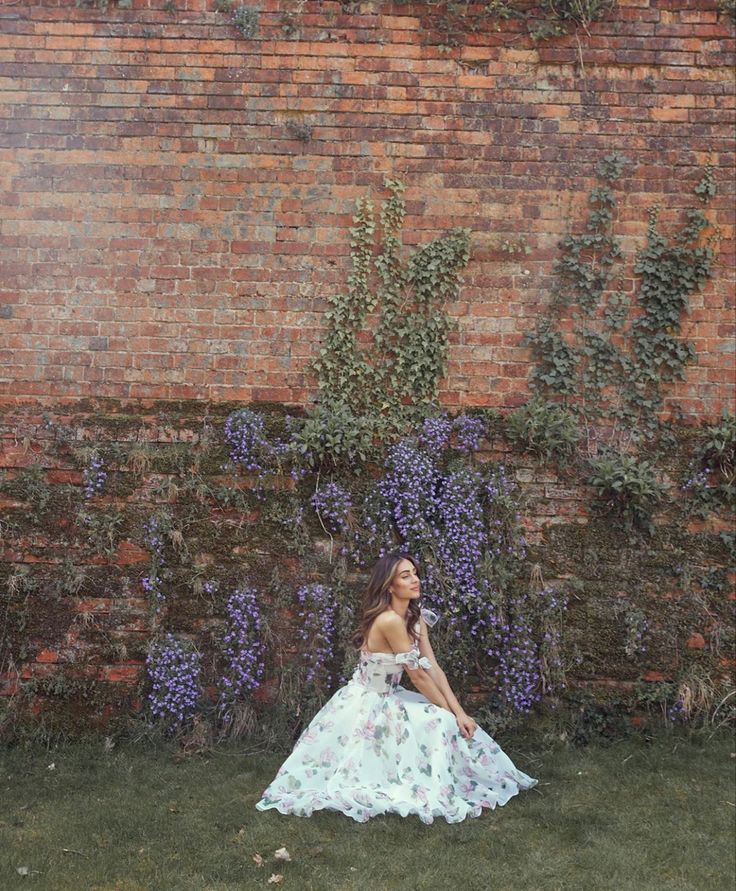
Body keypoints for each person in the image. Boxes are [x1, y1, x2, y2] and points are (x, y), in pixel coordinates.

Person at [256, 552, 537, 823]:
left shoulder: (415, 618)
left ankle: (453, 778)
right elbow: (417, 678)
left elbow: (433, 669)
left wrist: (460, 712)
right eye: (405, 576)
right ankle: (424, 786)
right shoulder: (389, 620)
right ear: (390, 586)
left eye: (415, 573)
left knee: (447, 719)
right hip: (369, 701)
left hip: (392, 696)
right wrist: (450, 713)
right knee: (439, 720)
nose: (415, 579)